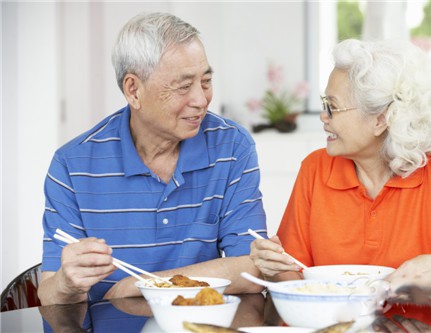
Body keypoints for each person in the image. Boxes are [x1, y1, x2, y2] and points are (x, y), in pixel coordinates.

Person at [38, 12, 266, 306]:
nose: (201, 99)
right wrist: (66, 283)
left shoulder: (231, 145)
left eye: (206, 81)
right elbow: (48, 295)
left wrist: (138, 285)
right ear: (133, 90)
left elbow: (251, 267)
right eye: (184, 86)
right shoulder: (72, 164)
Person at [249, 39, 431, 303]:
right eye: (324, 104)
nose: (324, 116)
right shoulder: (316, 168)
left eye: (333, 106)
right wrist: (274, 267)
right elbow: (294, 274)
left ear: (381, 119)